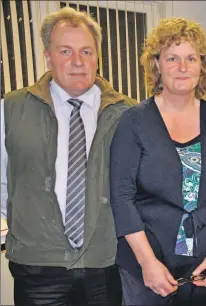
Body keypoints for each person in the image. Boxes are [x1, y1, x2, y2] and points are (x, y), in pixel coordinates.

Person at [0, 7, 136, 305]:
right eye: (66, 51)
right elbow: (3, 183)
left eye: (86, 51)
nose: (78, 62)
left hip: (105, 263)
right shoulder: (11, 108)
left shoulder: (128, 113)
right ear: (47, 55)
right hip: (38, 269)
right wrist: (32, 221)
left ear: (97, 56)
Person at [109, 17, 206, 306]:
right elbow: (121, 198)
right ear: (157, 65)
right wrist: (147, 263)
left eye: (191, 58)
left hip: (202, 266)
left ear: (202, 65)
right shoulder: (134, 122)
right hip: (145, 267)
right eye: (172, 58)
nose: (182, 67)